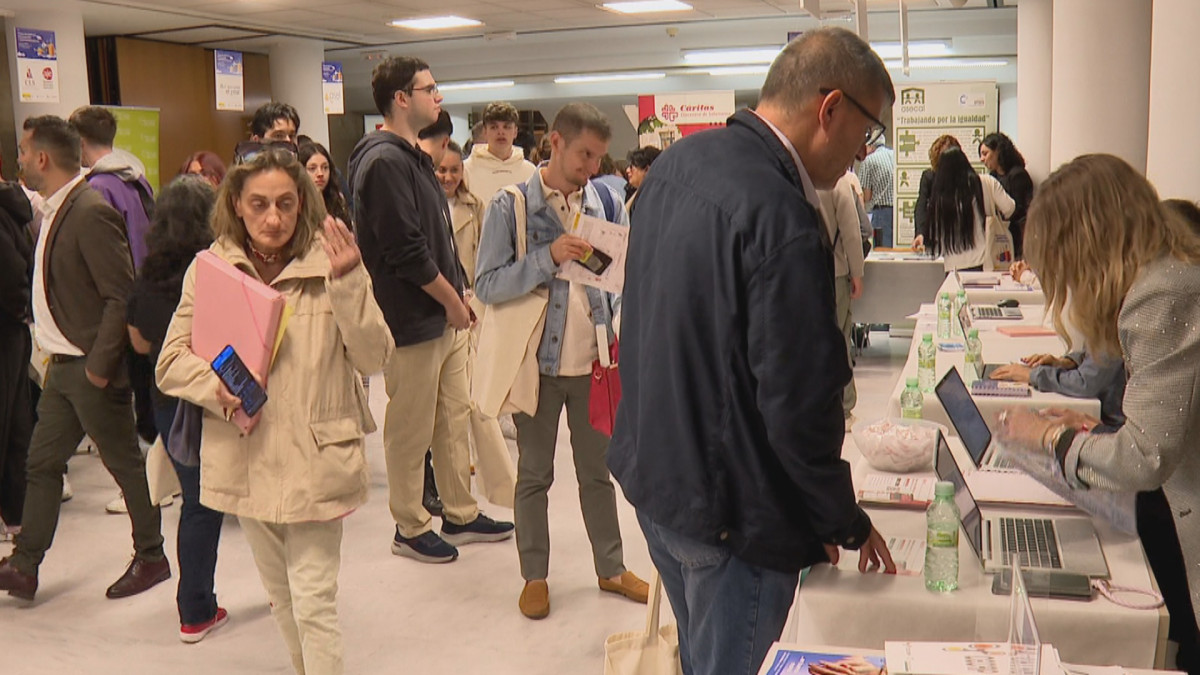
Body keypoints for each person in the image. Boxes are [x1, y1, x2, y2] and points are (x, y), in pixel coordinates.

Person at [608, 28, 898, 675]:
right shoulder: (784, 215)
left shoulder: (678, 165)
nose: (861, 153)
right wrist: (841, 517)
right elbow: (797, 401)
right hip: (733, 514)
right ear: (831, 109)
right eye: (867, 132)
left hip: (659, 481)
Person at [157, 149, 393, 672]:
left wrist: (351, 282)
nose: (273, 218)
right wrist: (215, 387)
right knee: (282, 597)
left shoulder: (333, 261)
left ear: (303, 203)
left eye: (286, 204)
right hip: (246, 456)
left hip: (316, 456)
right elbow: (169, 362)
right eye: (259, 203)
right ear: (236, 204)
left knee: (313, 600)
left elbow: (374, 356)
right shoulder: (211, 269)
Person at [997, 157, 1200, 673]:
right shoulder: (1169, 274)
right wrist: (1092, 433)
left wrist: (1050, 439)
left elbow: (1146, 457)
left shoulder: (1160, 291)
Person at [476, 102, 649, 621]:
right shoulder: (512, 206)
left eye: (598, 157)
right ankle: (535, 575)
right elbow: (487, 284)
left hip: (595, 361)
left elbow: (618, 278)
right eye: (583, 154)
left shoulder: (605, 199)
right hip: (539, 366)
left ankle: (611, 567)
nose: (592, 167)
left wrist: (621, 331)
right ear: (554, 142)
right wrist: (547, 258)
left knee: (598, 472)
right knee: (534, 474)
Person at [347, 56, 514, 565]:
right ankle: (409, 523)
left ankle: (459, 512)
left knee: (451, 418)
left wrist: (458, 295)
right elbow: (406, 253)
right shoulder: (382, 162)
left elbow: (438, 240)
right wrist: (450, 300)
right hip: (411, 320)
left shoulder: (412, 157)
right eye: (430, 89)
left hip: (442, 314)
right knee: (411, 427)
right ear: (402, 98)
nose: (437, 97)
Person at [0, 116, 168, 602]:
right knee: (42, 462)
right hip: (62, 367)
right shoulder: (56, 209)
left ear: (43, 159)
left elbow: (121, 295)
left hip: (89, 368)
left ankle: (152, 555)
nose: (20, 161)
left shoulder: (89, 209)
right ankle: (26, 565)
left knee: (125, 466)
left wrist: (99, 365)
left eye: (24, 153)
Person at [126, 176, 226, 643]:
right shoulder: (220, 271)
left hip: (169, 402)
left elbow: (139, 342)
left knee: (195, 503)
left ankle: (196, 608)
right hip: (220, 399)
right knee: (248, 499)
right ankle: (275, 594)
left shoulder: (146, 278)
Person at [70, 105, 163, 512]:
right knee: (148, 395)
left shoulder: (100, 190)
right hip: (147, 294)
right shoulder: (136, 180)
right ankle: (159, 478)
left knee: (135, 400)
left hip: (125, 303)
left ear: (78, 141)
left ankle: (150, 484)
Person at [818, 170, 867, 429]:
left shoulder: (792, 174)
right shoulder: (837, 180)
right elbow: (850, 230)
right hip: (835, 270)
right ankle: (845, 407)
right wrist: (857, 272)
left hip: (800, 270)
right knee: (839, 337)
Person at [0, 168, 34, 544]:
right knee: (16, 419)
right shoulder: (13, 206)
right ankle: (17, 514)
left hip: (5, 329)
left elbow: (10, 275)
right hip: (12, 329)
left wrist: (18, 308)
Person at [917, 146, 1014, 272]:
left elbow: (934, 234)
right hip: (984, 260)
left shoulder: (940, 196)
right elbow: (1009, 208)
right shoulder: (986, 182)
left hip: (952, 265)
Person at [463, 101, 536, 204]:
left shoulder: (530, 171)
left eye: (507, 127)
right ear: (485, 131)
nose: (501, 132)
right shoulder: (466, 169)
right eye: (494, 127)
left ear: (515, 132)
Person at [978, 132, 1033, 258]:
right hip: (999, 237)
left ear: (998, 151)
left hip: (1016, 238)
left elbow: (1021, 210)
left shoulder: (1018, 175)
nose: (982, 159)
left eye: (985, 153)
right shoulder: (992, 177)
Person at [911, 134, 961, 250]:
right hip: (933, 236)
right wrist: (921, 233)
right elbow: (921, 206)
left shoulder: (963, 178)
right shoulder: (929, 177)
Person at [299, 142, 351, 225]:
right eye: (312, 169)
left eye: (325, 167)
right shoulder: (296, 206)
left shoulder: (338, 200)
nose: (320, 174)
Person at [855, 136, 894, 248]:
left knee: (882, 251)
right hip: (898, 212)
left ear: (870, 145)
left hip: (881, 214)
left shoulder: (868, 160)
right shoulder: (894, 155)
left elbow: (866, 196)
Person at [623, 145, 660, 210]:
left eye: (632, 167)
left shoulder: (657, 196)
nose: (627, 170)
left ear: (647, 170)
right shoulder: (631, 191)